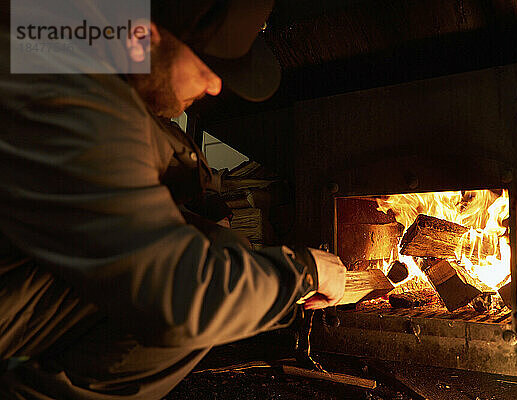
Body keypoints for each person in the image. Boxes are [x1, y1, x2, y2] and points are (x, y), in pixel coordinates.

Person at [0, 0, 346, 398]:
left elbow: (142, 141)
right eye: (205, 63)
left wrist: (205, 200)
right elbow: (175, 294)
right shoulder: (66, 93)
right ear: (140, 37)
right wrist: (301, 273)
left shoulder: (52, 44)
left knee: (217, 251)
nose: (216, 85)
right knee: (191, 292)